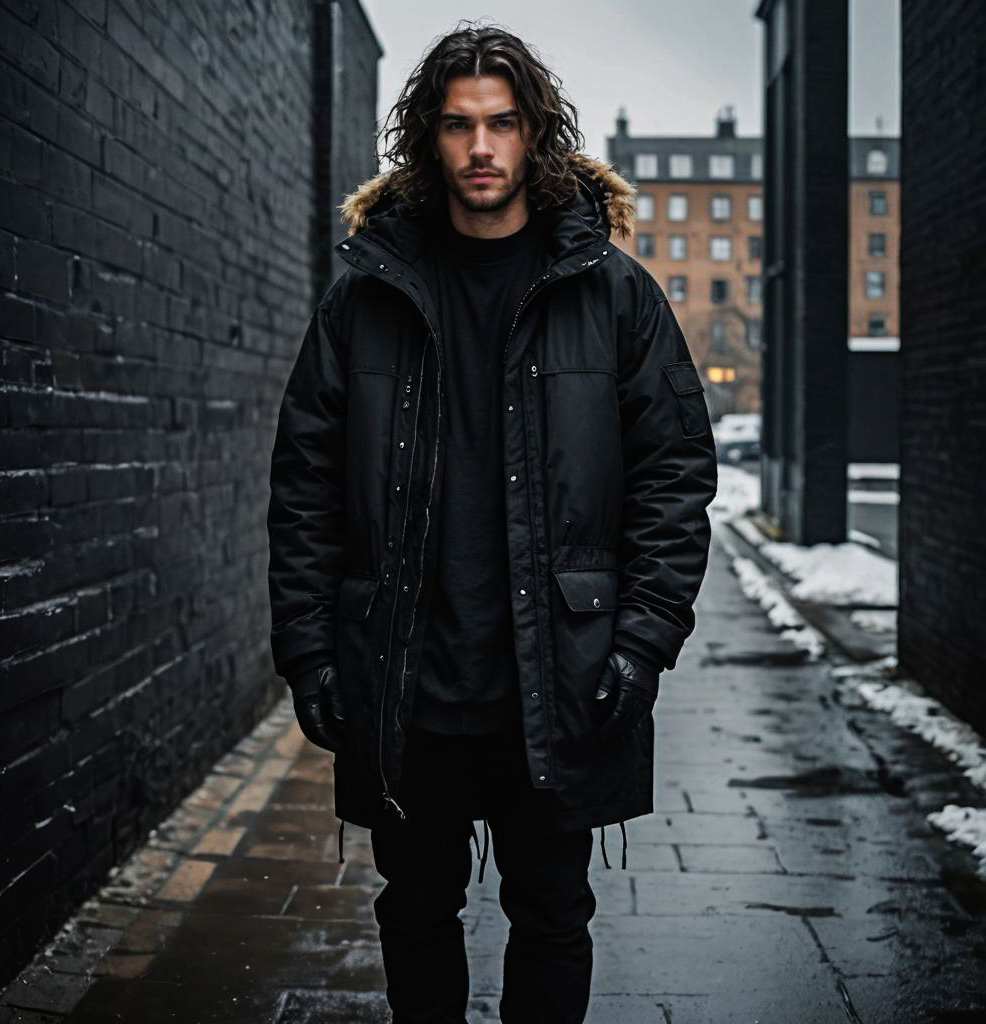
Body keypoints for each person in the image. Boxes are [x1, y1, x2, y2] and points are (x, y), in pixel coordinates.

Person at [266, 21, 717, 1024]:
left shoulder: (612, 296)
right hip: (405, 684)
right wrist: (309, 652)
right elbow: (302, 482)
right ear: (430, 137)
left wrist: (641, 642)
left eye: (502, 124)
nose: (480, 147)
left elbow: (675, 476)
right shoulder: (365, 297)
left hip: (559, 679)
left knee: (551, 914)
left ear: (534, 135)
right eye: (459, 124)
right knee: (415, 911)